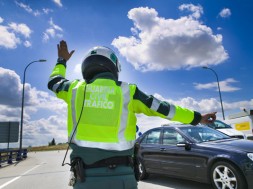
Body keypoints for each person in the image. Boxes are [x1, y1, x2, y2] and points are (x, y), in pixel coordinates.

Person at [48, 40, 216, 189]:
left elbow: (54, 82)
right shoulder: (128, 91)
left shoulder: (73, 90)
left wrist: (61, 61)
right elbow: (164, 109)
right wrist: (197, 117)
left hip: (85, 178)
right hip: (123, 177)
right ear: (113, 67)